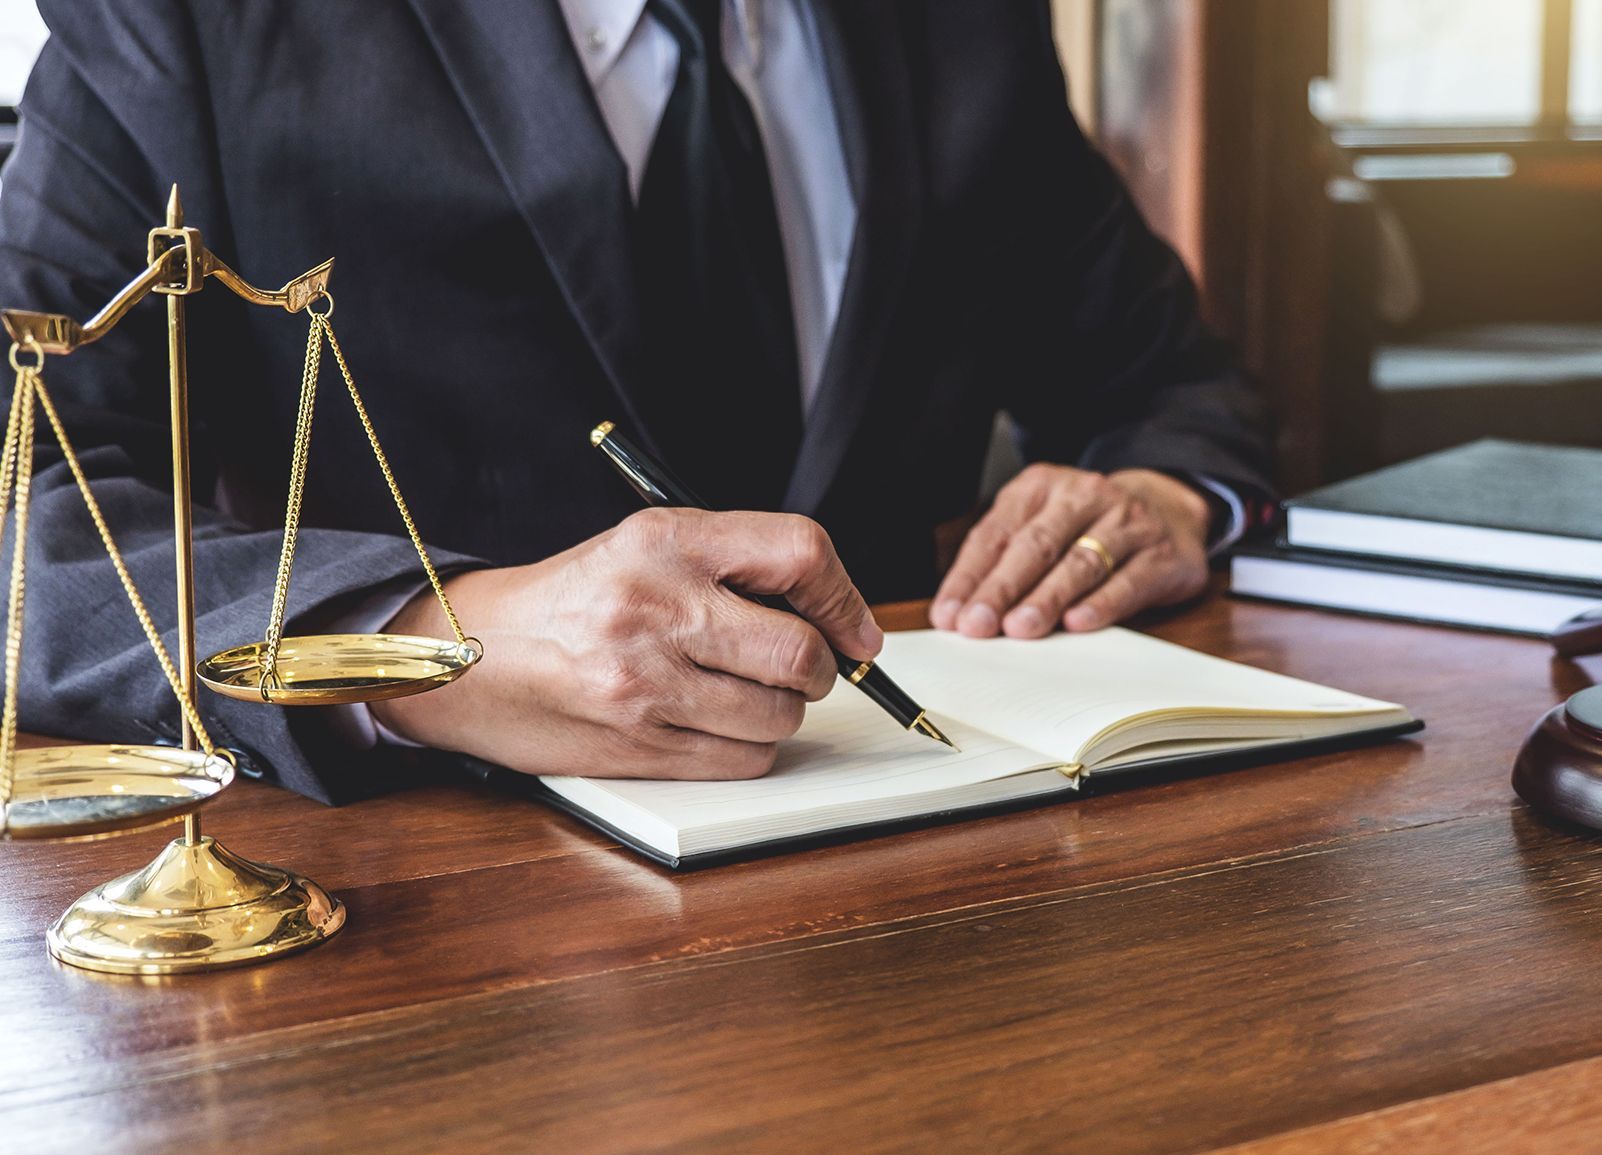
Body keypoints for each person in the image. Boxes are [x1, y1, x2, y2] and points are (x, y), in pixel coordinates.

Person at [0, 0, 1273, 799]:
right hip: (428, 932)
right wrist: (442, 645)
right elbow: (20, 508)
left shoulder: (958, 27)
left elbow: (1175, 384)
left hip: (929, 852)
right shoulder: (185, 22)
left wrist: (1159, 495)